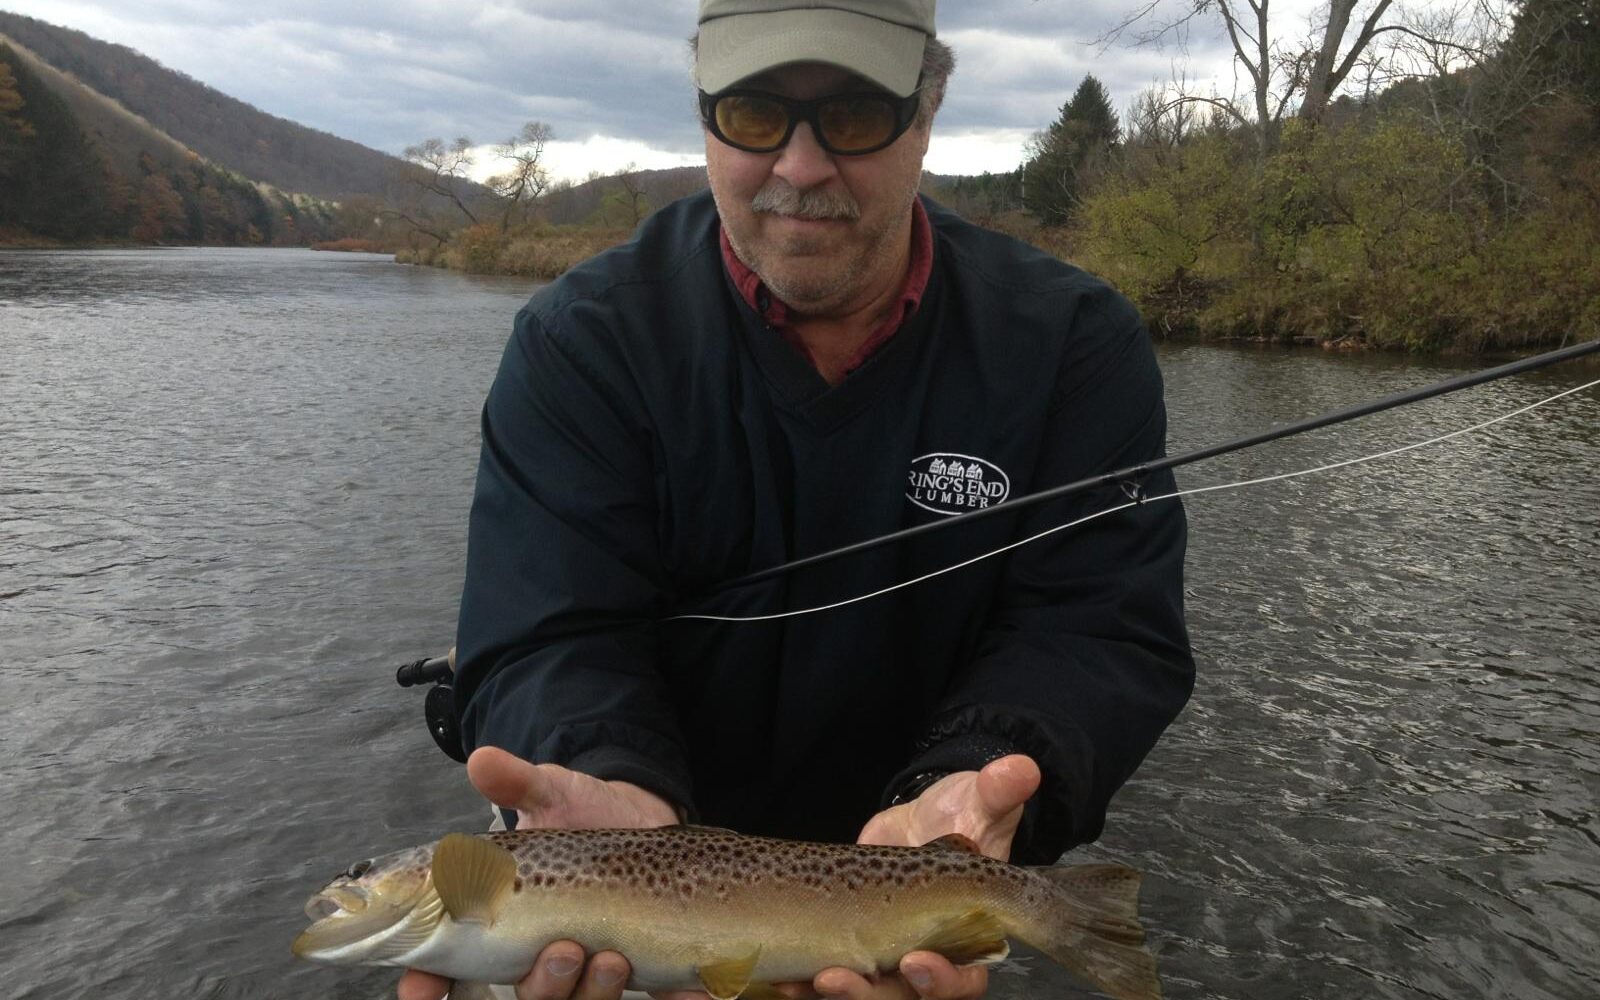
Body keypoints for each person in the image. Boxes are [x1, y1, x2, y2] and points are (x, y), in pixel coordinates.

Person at [403, 2, 1194, 998]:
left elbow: (1094, 627)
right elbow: (546, 629)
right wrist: (598, 770)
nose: (802, 165)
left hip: (914, 894)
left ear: (928, 112)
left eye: (854, 115)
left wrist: (981, 775)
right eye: (754, 112)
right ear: (704, 114)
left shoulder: (1075, 345)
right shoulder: (583, 344)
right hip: (633, 905)